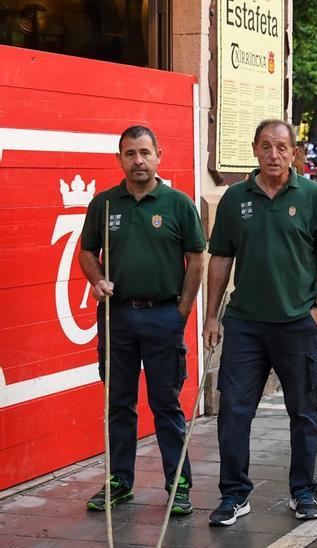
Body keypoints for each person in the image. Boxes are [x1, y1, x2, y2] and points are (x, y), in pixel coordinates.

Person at [204, 120, 317, 525]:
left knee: (303, 412)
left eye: (282, 147)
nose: (273, 154)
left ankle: (301, 491)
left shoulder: (314, 196)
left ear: (294, 152)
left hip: (297, 323)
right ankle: (234, 493)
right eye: (265, 146)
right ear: (254, 150)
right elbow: (220, 259)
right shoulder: (235, 198)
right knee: (234, 410)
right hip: (245, 324)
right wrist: (212, 315)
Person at [79, 126, 205, 515]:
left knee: (165, 403)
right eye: (130, 153)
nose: (138, 161)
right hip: (116, 318)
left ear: (159, 155)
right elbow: (87, 251)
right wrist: (97, 279)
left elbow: (197, 258)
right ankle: (120, 481)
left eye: (145, 153)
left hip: (163, 316)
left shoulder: (178, 204)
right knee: (119, 403)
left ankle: (178, 482)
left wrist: (182, 311)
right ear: (120, 158)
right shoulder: (104, 204)